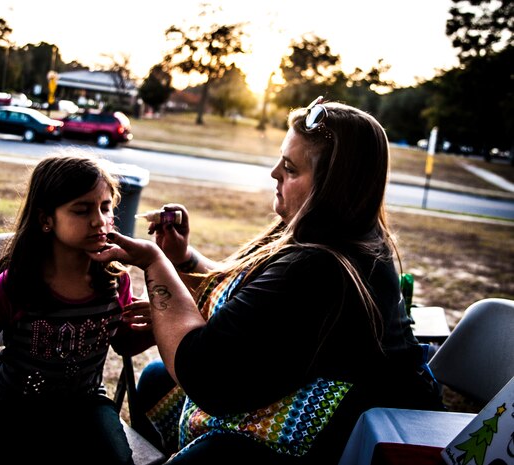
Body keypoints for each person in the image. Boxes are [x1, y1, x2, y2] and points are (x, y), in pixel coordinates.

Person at [89, 97, 445, 464]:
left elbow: (203, 373)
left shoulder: (321, 266)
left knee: (202, 431)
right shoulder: (343, 234)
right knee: (156, 380)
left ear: (332, 186)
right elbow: (254, 301)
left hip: (344, 433)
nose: (275, 172)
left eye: (290, 169)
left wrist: (154, 261)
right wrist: (184, 258)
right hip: (307, 394)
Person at [0, 154, 154, 465]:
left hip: (86, 404)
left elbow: (122, 343)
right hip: (13, 405)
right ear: (45, 219)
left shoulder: (114, 280)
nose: (99, 220)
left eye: (105, 207)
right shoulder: (16, 286)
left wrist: (157, 325)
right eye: (82, 209)